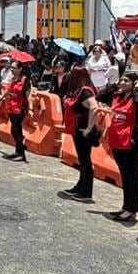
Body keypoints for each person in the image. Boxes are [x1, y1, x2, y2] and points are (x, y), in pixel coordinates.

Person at [104, 72, 138, 223]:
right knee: (124, 174)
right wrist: (115, 85)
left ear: (135, 83)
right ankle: (125, 206)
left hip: (131, 141)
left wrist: (136, 90)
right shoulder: (117, 96)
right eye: (121, 80)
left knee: (132, 175)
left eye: (126, 81)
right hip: (116, 140)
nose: (123, 83)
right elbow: (101, 95)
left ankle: (132, 209)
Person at [62, 67, 101, 201]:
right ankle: (80, 186)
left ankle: (86, 191)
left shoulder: (85, 91)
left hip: (82, 129)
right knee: (82, 159)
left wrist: (89, 128)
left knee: (85, 160)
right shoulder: (78, 91)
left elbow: (94, 108)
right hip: (77, 128)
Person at [0, 60, 32, 162]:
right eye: (11, 68)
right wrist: (1, 99)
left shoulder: (24, 80)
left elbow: (28, 95)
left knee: (14, 130)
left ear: (20, 69)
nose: (12, 70)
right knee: (17, 130)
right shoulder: (13, 79)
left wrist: (30, 109)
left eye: (14, 68)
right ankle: (18, 151)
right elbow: (8, 91)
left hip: (19, 108)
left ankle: (22, 153)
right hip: (11, 108)